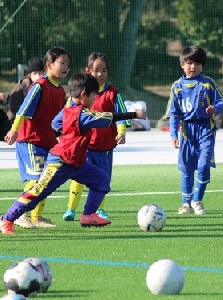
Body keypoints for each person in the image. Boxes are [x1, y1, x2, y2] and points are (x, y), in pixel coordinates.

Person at [0, 73, 145, 235]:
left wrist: (67, 134)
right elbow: (106, 117)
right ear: (83, 94)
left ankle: (88, 215)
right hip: (59, 162)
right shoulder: (83, 114)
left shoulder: (67, 110)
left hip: (78, 163)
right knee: (38, 191)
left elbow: (55, 124)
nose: (95, 100)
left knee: (101, 180)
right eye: (93, 96)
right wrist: (134, 114)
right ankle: (7, 219)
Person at [4, 47, 71, 229]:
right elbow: (23, 110)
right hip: (30, 140)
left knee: (46, 179)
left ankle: (36, 216)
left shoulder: (60, 91)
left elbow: (58, 120)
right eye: (62, 63)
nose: (66, 67)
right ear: (49, 65)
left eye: (68, 64)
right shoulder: (39, 86)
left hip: (47, 142)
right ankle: (18, 214)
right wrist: (14, 130)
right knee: (35, 179)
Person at [62, 53, 131, 221]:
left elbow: (121, 116)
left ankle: (99, 209)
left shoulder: (113, 93)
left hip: (105, 148)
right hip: (84, 147)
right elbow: (67, 116)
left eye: (104, 70)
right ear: (87, 71)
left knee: (102, 179)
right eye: (96, 70)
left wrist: (121, 132)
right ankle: (71, 208)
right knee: (78, 177)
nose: (100, 74)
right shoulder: (78, 94)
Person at [165, 45, 223, 215]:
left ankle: (197, 200)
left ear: (202, 65)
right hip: (186, 131)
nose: (193, 67)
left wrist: (215, 108)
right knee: (186, 168)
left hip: (205, 128)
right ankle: (186, 203)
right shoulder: (177, 86)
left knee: (204, 164)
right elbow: (174, 113)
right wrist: (173, 135)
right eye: (189, 63)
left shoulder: (208, 83)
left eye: (197, 63)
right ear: (182, 65)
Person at [6, 57, 45, 121]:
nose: (38, 76)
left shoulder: (47, 86)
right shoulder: (20, 87)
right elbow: (13, 107)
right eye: (35, 73)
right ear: (30, 75)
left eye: (40, 73)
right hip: (16, 120)